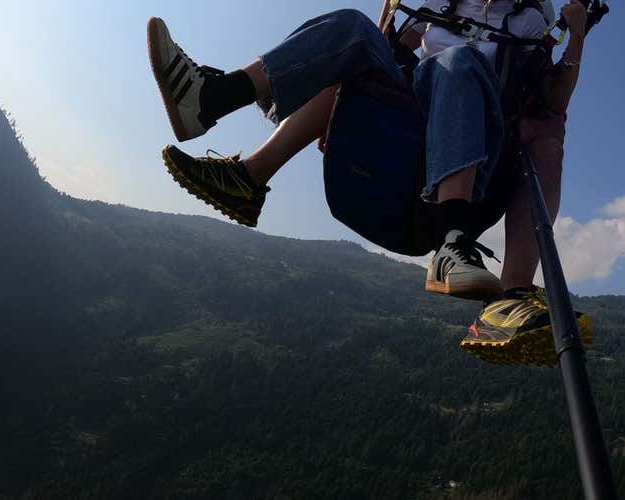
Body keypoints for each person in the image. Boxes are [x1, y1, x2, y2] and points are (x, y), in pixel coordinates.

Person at [147, 0, 592, 365]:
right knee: (353, 29)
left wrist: (575, 35)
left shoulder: (533, 17)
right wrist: (350, 95)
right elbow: (390, 47)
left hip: (474, 133)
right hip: (407, 113)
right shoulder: (446, 2)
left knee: (475, 74)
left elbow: (553, 100)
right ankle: (216, 111)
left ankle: (488, 275)